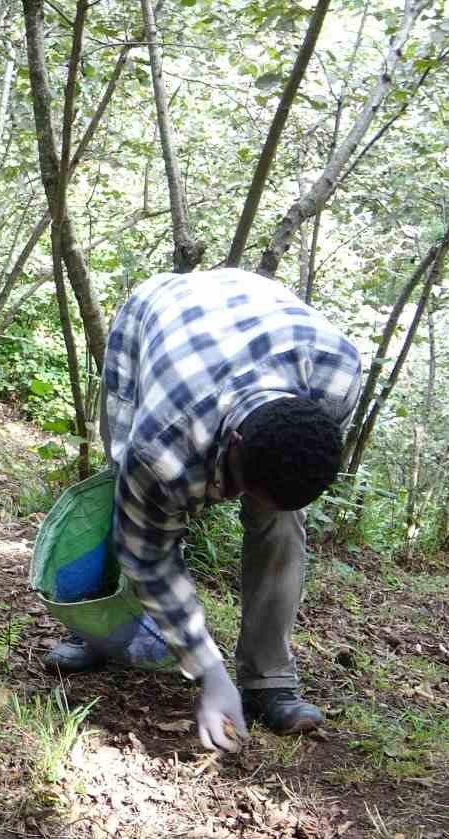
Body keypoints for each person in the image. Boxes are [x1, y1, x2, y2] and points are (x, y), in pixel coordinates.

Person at [44, 268, 362, 752]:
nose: (232, 501)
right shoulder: (161, 442)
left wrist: (268, 498)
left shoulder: (336, 374)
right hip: (157, 319)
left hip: (258, 321)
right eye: (237, 486)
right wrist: (211, 675)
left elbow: (290, 462)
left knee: (280, 523)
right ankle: (106, 633)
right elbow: (149, 556)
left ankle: (268, 678)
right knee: (128, 495)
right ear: (234, 443)